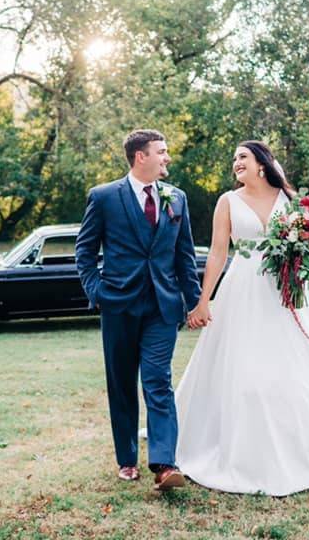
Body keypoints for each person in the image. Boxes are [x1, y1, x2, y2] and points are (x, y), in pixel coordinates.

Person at [176, 140, 309, 496]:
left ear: (262, 164)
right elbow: (218, 254)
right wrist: (203, 300)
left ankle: (308, 449)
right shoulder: (227, 201)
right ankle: (241, 449)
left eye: (243, 157)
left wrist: (308, 259)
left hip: (287, 294)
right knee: (245, 369)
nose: (236, 163)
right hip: (243, 291)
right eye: (234, 158)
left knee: (297, 370)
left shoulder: (294, 202)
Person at [75, 129, 202, 491]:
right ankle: (126, 458)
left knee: (158, 381)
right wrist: (97, 292)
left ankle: (165, 464)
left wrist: (193, 302)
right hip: (118, 305)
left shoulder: (176, 198)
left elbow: (184, 255)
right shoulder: (103, 197)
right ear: (139, 156)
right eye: (161, 152)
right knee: (122, 384)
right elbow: (84, 252)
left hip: (163, 306)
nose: (167, 158)